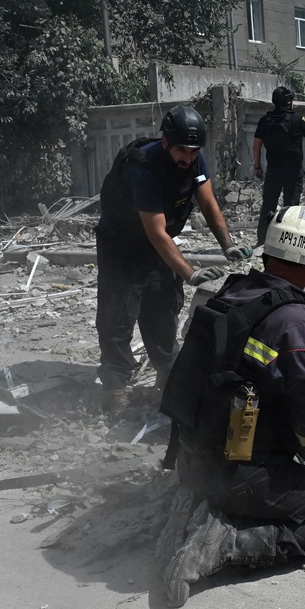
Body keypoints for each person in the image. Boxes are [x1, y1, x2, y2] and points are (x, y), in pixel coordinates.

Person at [158, 205, 305, 609]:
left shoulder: (233, 293)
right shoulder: (297, 324)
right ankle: (227, 545)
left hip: (193, 458)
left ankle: (202, 501)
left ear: (267, 251)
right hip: (242, 473)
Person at [95, 104, 253, 417]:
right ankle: (115, 389)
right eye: (182, 150)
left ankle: (168, 378)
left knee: (163, 308)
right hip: (122, 247)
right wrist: (189, 272)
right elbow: (156, 234)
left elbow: (208, 204)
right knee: (119, 314)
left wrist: (228, 245)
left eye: (194, 151)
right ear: (165, 142)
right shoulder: (144, 169)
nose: (188, 158)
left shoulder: (193, 160)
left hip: (157, 245)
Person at [252, 86, 305, 245]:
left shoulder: (264, 120)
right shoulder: (297, 119)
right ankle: (287, 242)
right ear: (289, 102)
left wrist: (257, 167)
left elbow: (256, 146)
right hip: (293, 171)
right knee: (292, 207)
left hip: (274, 170)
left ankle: (262, 240)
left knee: (269, 204)